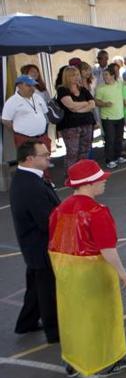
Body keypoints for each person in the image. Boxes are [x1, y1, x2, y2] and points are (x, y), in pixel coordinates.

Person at [49, 159, 126, 377]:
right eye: (100, 179)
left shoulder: (60, 209)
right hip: (92, 273)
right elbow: (107, 249)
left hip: (66, 271)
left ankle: (74, 360)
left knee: (74, 316)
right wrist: (121, 272)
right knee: (102, 316)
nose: (104, 182)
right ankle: (107, 361)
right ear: (88, 184)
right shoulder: (96, 211)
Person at [10, 141, 60, 344]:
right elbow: (46, 220)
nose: (49, 156)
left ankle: (26, 322)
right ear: (29, 158)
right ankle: (54, 332)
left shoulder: (26, 178)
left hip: (33, 246)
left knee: (35, 286)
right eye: (44, 154)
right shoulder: (30, 185)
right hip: (40, 246)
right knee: (47, 290)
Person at [56, 66, 97, 169]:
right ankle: (71, 175)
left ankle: (82, 173)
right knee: (73, 152)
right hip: (70, 126)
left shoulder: (83, 89)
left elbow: (92, 104)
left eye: (77, 74)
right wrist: (84, 103)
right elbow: (71, 106)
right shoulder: (62, 90)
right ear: (67, 77)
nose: (76, 77)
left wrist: (79, 109)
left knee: (85, 151)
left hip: (87, 123)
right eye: (73, 75)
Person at [2, 75, 50, 153]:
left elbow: (45, 113)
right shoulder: (12, 101)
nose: (32, 88)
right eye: (28, 85)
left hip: (42, 137)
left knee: (44, 161)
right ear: (19, 86)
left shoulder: (38, 97)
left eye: (33, 85)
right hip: (25, 139)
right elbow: (5, 120)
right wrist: (18, 130)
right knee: (28, 162)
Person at [94, 67, 126, 169]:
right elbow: (96, 101)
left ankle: (118, 156)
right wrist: (104, 103)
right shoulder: (100, 88)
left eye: (106, 74)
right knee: (110, 139)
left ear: (113, 75)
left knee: (119, 138)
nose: (104, 77)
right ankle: (109, 160)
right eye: (104, 75)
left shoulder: (120, 84)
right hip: (107, 118)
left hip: (120, 116)